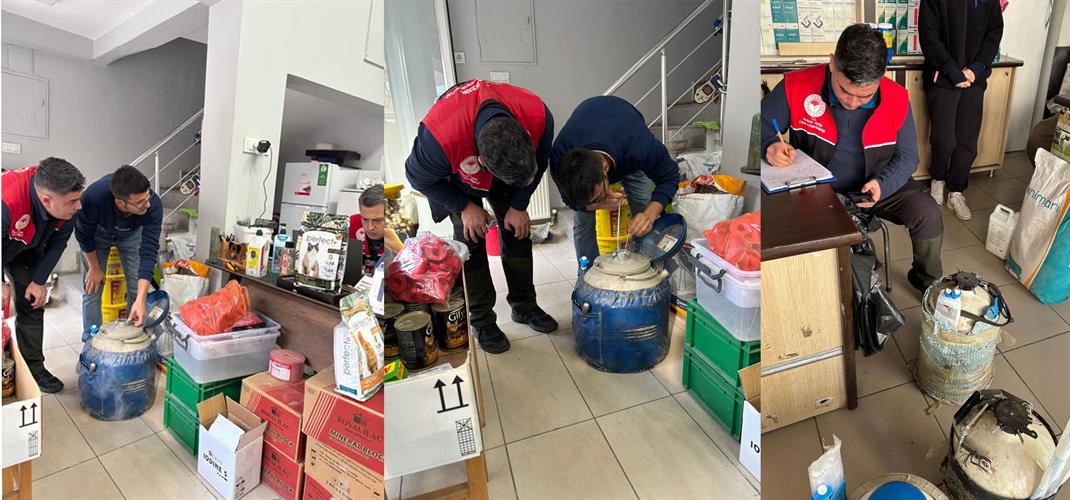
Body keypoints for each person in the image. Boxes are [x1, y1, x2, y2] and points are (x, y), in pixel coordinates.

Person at [761, 24, 943, 293]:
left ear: (882, 76)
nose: (853, 102)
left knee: (927, 212)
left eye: (865, 95)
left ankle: (928, 281)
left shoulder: (897, 98)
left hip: (877, 186)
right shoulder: (796, 85)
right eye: (845, 90)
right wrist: (770, 144)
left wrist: (882, 185)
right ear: (832, 64)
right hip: (816, 191)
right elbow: (761, 122)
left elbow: (908, 158)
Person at [406, 79, 557, 354]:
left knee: (518, 232)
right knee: (471, 242)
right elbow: (416, 177)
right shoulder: (438, 138)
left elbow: (542, 161)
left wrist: (520, 204)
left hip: (508, 167)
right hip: (456, 178)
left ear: (526, 134)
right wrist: (464, 206)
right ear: (483, 163)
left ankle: (524, 306)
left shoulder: (538, 115)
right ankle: (482, 320)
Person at [550, 95, 680, 271]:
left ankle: (645, 270)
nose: (595, 204)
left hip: (625, 142)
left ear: (605, 168)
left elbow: (670, 176)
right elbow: (571, 202)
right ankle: (587, 274)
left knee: (643, 210)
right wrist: (589, 206)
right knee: (583, 220)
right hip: (593, 132)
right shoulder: (560, 158)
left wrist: (649, 215)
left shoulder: (638, 146)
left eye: (596, 197)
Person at [2, 158, 86, 393]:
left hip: (27, 250)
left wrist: (38, 282)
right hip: (4, 241)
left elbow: (58, 245)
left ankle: (33, 369)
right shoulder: (6, 199)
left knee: (32, 304)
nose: (78, 206)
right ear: (46, 200)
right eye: (72, 201)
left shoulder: (68, 209)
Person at [920, 0, 1004, 220]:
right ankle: (937, 179)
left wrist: (976, 68)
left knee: (967, 141)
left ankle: (956, 191)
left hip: (974, 80)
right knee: (944, 138)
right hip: (943, 79)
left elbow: (994, 34)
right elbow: (929, 37)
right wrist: (952, 71)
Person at [76, 165, 163, 339]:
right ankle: (91, 340)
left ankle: (135, 335)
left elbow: (149, 251)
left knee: (136, 288)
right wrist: (94, 268)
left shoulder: (153, 205)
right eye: (140, 202)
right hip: (99, 233)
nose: (147, 204)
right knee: (93, 288)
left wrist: (140, 298)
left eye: (147, 197)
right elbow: (83, 235)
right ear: (120, 202)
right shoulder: (94, 198)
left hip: (132, 233)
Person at [349, 184, 386, 277]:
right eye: (364, 219)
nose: (370, 227)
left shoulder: (403, 235)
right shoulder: (350, 224)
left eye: (377, 220)